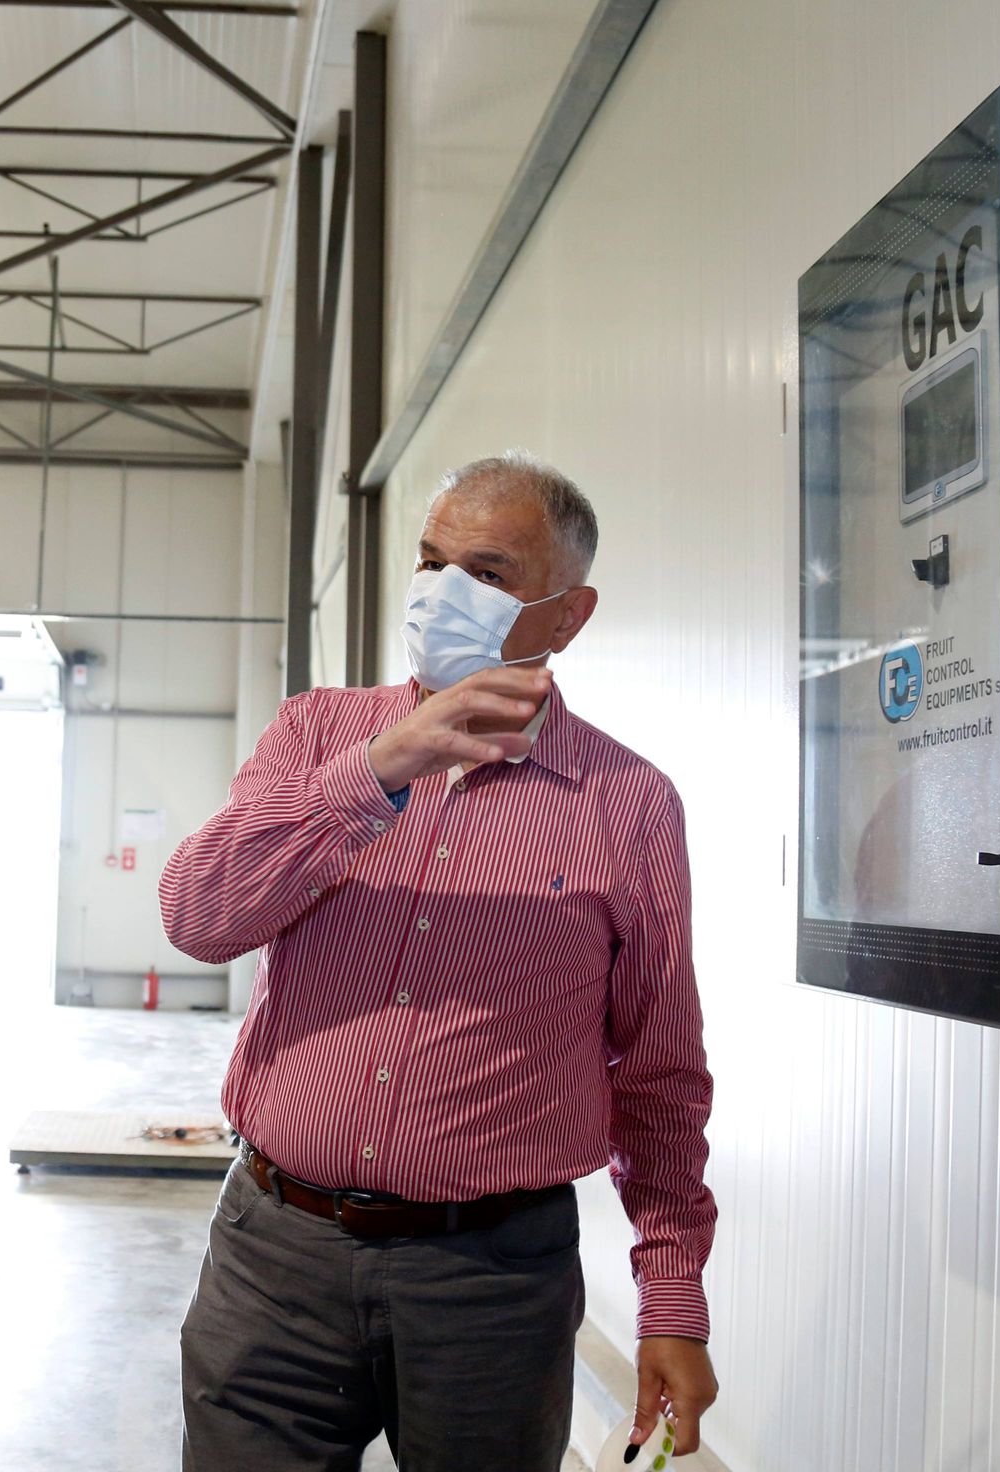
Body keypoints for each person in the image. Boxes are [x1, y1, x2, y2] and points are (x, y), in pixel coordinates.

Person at [163, 453, 719, 1471]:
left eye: (487, 572)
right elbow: (199, 916)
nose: (440, 592)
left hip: (492, 1282)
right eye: (430, 561)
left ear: (567, 615)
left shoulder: (628, 804)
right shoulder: (316, 735)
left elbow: (658, 1075)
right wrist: (380, 769)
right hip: (275, 1255)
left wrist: (670, 1298)